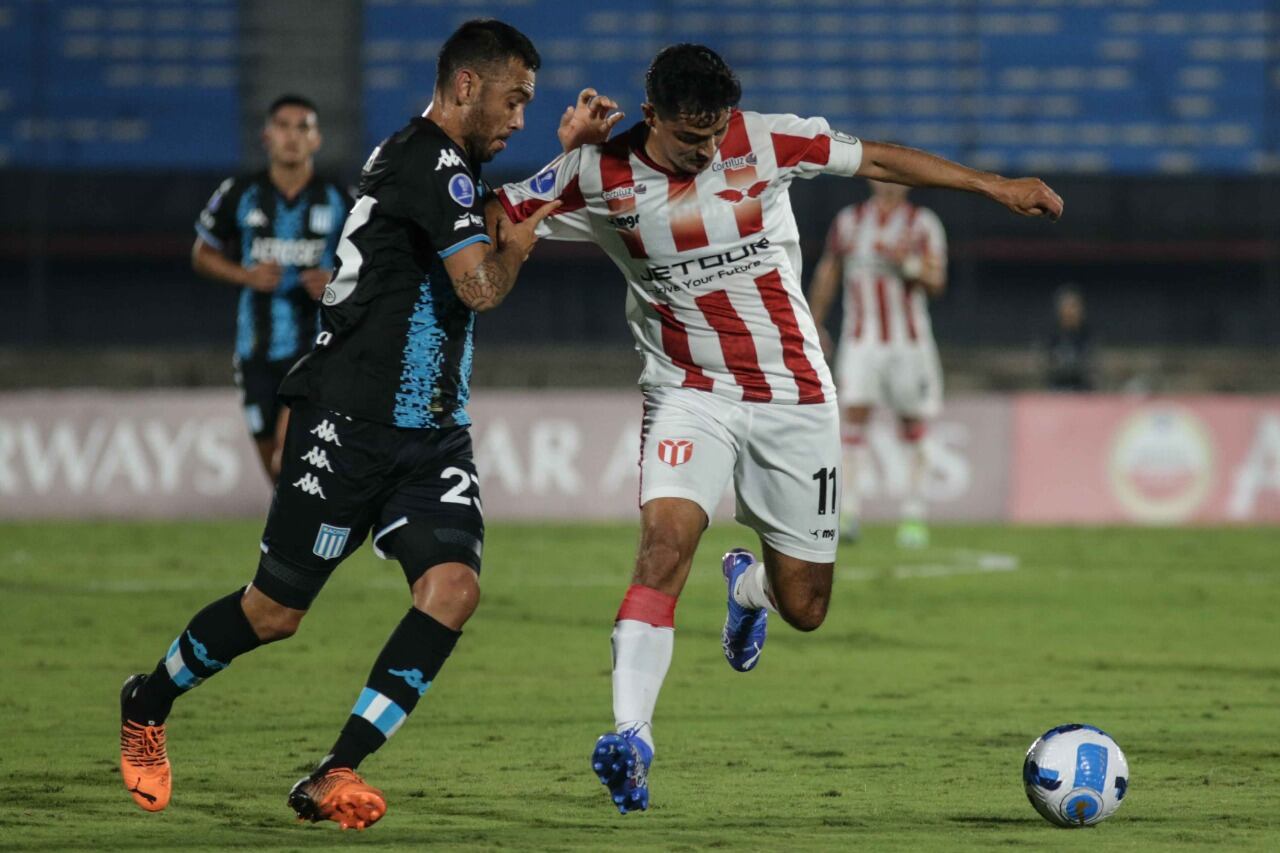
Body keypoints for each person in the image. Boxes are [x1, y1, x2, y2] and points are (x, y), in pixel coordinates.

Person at [496, 43, 1062, 815]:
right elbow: (494, 214)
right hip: (687, 391)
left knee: (807, 605)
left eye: (714, 133)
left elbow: (879, 160)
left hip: (794, 392)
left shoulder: (764, 139)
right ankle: (632, 737)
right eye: (689, 137)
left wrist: (993, 186)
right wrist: (561, 155)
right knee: (662, 547)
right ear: (651, 114)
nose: (705, 150)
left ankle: (749, 586)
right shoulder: (597, 174)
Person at [118, 19, 619, 830]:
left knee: (453, 589)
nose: (521, 117)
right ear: (466, 86)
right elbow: (482, 285)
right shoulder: (430, 161)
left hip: (431, 435)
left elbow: (499, 211)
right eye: (515, 100)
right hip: (347, 422)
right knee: (273, 613)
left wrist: (573, 157)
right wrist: (521, 251)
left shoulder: (443, 167)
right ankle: (147, 698)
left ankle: (335, 767)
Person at [193, 95, 352, 482]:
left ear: (316, 140)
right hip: (256, 351)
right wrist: (245, 275)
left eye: (304, 127)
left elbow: (375, 262)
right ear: (267, 135)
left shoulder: (339, 197)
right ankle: (293, 535)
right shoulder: (240, 192)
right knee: (275, 472)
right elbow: (201, 254)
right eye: (283, 126)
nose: (292, 136)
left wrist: (338, 280)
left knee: (289, 456)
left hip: (315, 349)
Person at [807, 179, 948, 547]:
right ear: (871, 179)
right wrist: (814, 324)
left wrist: (910, 266)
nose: (888, 185)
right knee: (853, 418)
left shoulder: (923, 224)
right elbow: (829, 272)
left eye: (897, 178)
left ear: (907, 183)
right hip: (861, 341)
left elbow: (937, 281)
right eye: (882, 176)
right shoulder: (850, 222)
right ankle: (849, 512)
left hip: (909, 344)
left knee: (912, 423)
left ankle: (915, 516)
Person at [1046, 284, 1094, 391]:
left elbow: (1094, 365)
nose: (1071, 311)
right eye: (1067, 306)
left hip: (1083, 390)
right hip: (1056, 389)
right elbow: (1045, 365)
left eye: (1074, 306)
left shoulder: (1088, 335)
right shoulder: (1052, 336)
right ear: (1060, 310)